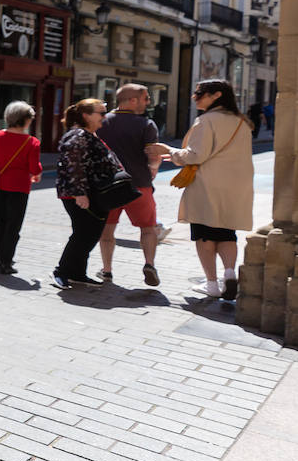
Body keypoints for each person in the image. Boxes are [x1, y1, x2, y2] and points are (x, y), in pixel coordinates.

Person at [150, 80, 255, 300]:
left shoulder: (206, 120)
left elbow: (196, 155)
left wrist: (169, 149)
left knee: (204, 235)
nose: (194, 96)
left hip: (208, 184)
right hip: (236, 186)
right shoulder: (241, 121)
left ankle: (211, 284)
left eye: (199, 93)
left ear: (216, 95)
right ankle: (228, 273)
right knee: (227, 232)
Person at [95, 84, 163, 287]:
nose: (148, 102)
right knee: (148, 229)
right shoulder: (146, 124)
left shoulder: (102, 122)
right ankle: (149, 264)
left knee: (107, 231)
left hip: (110, 186)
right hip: (139, 185)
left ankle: (107, 271)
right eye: (145, 98)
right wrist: (153, 168)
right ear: (132, 100)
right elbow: (153, 154)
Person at [51, 98, 119, 290]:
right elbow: (74, 165)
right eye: (101, 113)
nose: (105, 117)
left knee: (89, 234)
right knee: (83, 234)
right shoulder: (78, 135)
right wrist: (80, 193)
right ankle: (61, 271)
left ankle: (77, 273)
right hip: (80, 195)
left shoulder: (89, 134)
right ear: (86, 115)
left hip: (93, 194)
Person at [0, 101, 42, 274]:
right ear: (25, 120)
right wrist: (37, 172)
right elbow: (34, 169)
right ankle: (6, 262)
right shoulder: (32, 142)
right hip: (19, 187)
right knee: (13, 225)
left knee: (0, 222)